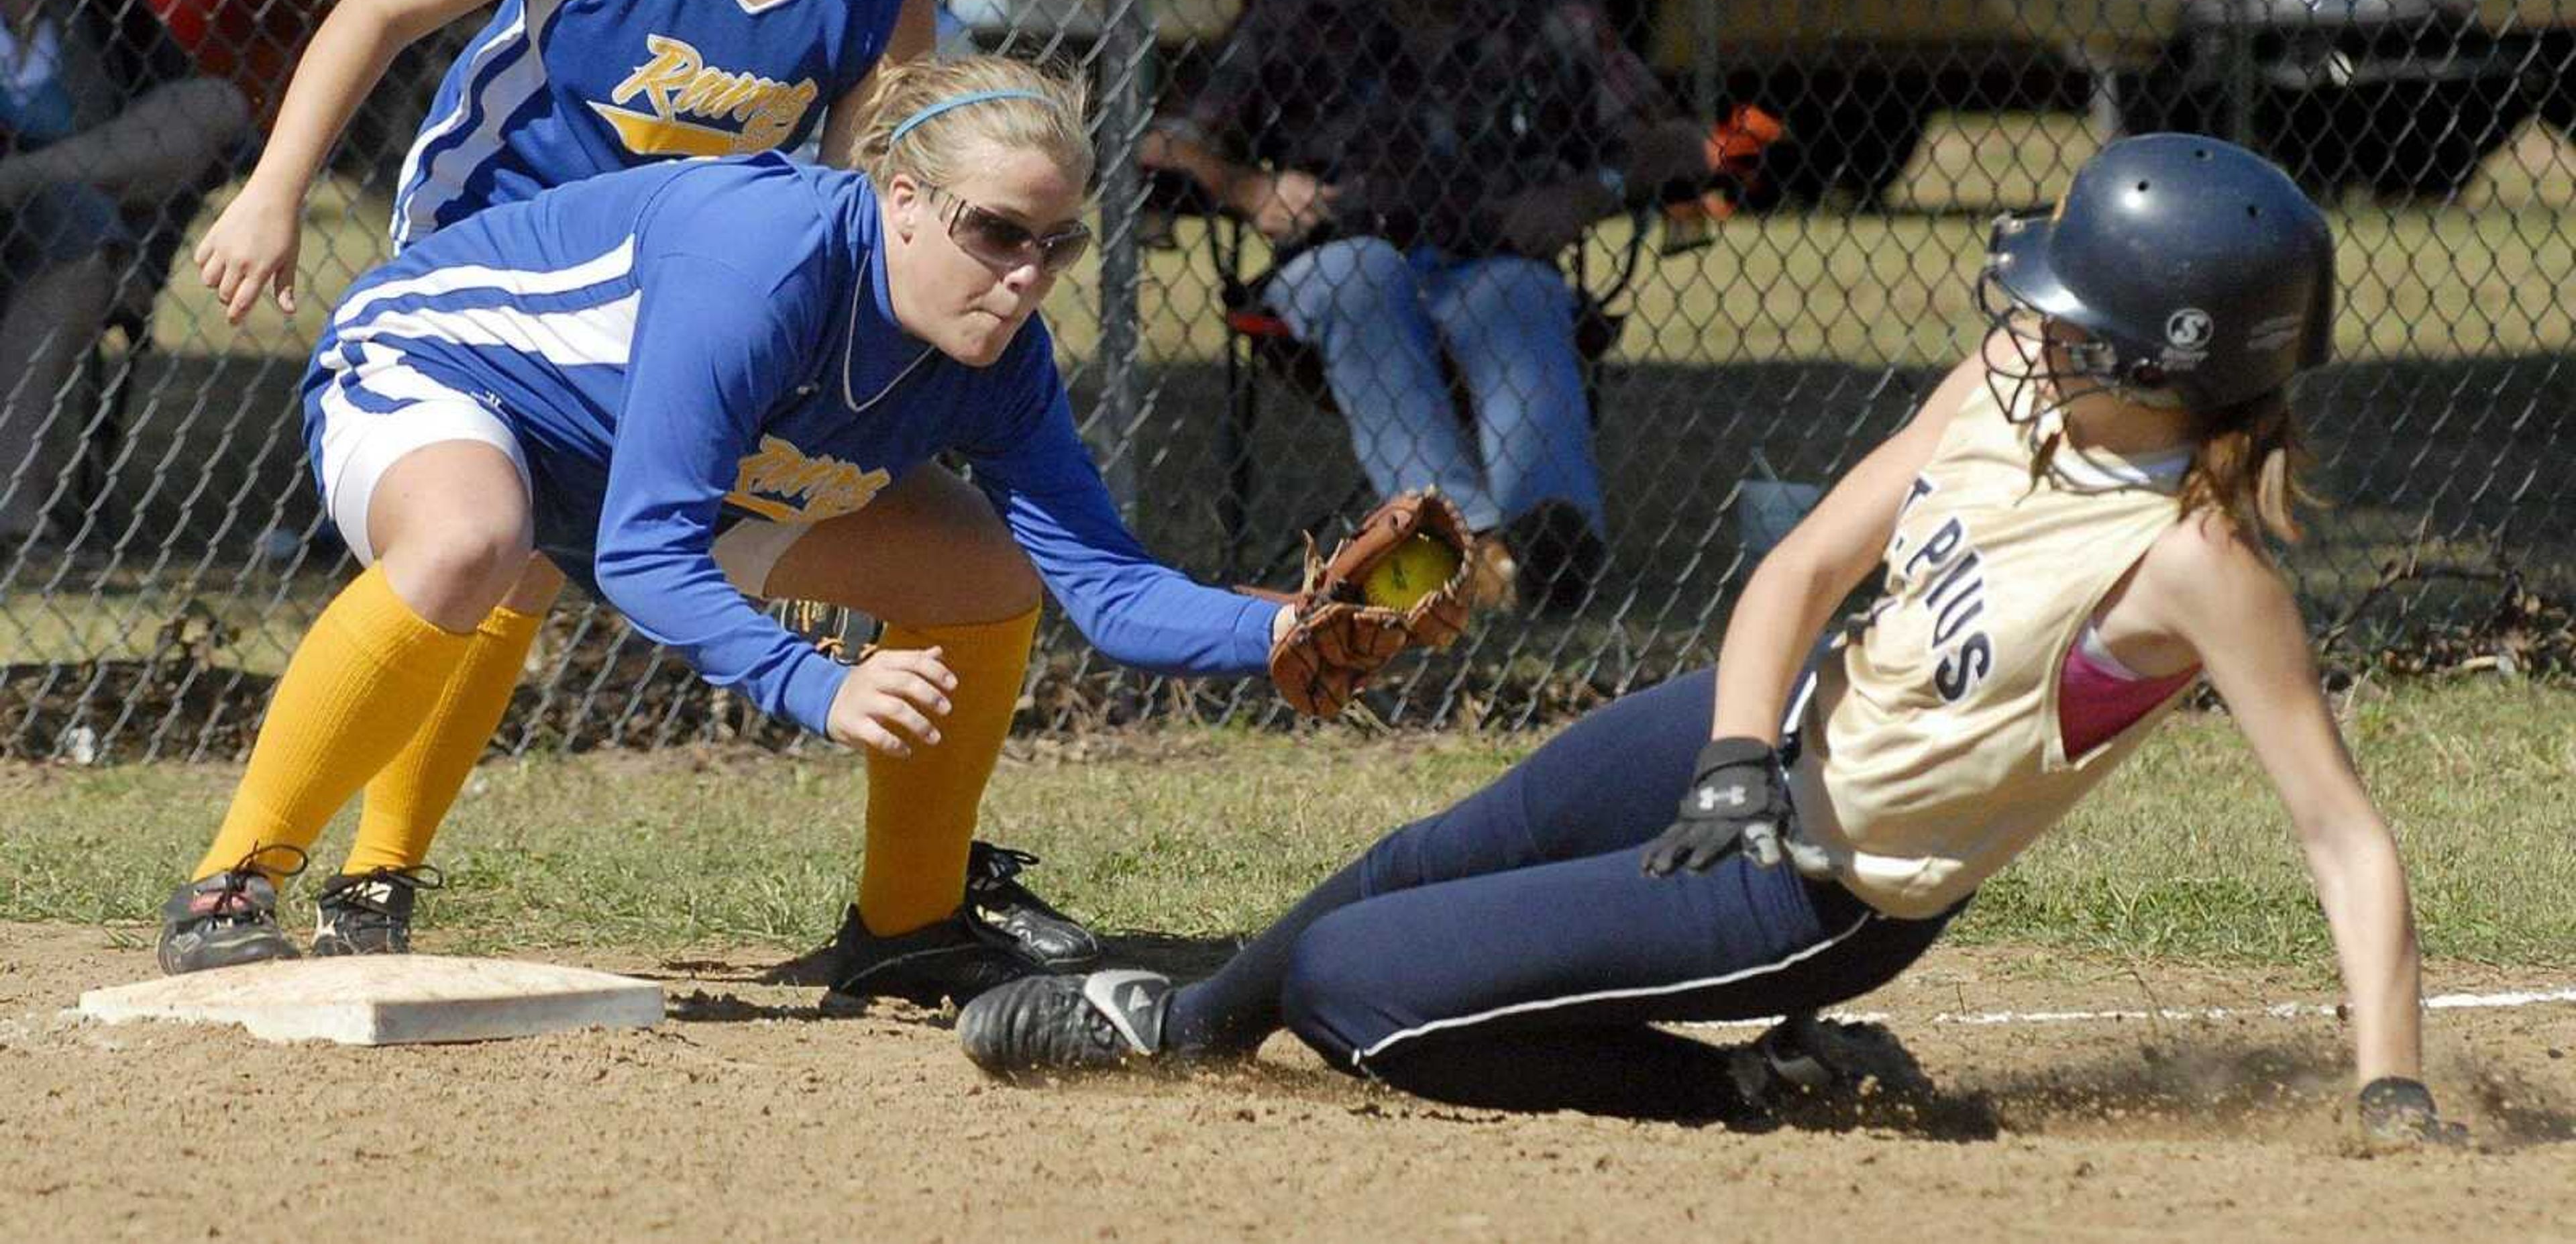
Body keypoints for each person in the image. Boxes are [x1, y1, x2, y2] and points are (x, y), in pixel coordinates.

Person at [959, 134, 2464, 1145]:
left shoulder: (2198, 567)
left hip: (1828, 887)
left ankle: (1760, 1085)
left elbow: (2344, 837)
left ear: (2169, 362)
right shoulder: (2015, 378)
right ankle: (1183, 1019)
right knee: (1427, 852)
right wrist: (1739, 754)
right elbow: (1807, 567)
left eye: (2076, 313)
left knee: (1358, 988)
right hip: (1749, 737)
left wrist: (2393, 1084)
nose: (2034, 315)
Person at [158, 56, 1447, 1004]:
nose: (1026, 274)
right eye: (995, 232)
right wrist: (815, 683)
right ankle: (234, 877)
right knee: (468, 541)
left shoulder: (999, 356)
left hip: (673, 464)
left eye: (1056, 245)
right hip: (453, 373)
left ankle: (906, 924)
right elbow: (642, 550)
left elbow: (1100, 586)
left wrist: (1276, 625)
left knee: (984, 578)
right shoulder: (766, 264)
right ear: (896, 197)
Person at [179, 0, 1089, 981]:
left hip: (677, 296)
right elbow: (386, 3)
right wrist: (273, 193)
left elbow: (868, 198)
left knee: (579, 555)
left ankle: (391, 884)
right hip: (486, 259)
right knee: (500, 544)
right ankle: (346, 873)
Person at [1139, 0, 1706, 615]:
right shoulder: (1298, 17)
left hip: (1492, 256)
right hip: (1337, 259)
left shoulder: (1552, 19)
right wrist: (1249, 186)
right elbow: (1169, 138)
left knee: (1523, 293)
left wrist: (1588, 195)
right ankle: (1465, 544)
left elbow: (1679, 142)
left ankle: (1545, 545)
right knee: (1363, 276)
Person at [0, 0, 249, 558]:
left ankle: (16, 511)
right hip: (67, 213)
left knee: (210, 106)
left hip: (52, 214)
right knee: (80, 220)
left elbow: (189, 105)